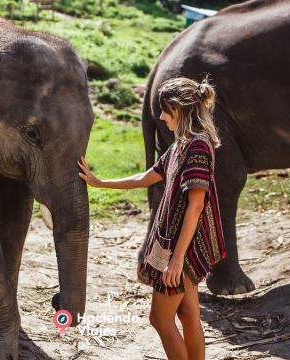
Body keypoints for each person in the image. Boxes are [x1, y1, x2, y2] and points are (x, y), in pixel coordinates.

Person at [78, 77, 227, 360]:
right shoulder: (181, 145)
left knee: (160, 319)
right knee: (188, 314)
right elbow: (148, 177)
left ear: (179, 109)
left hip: (183, 247)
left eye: (165, 110)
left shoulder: (197, 147)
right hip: (179, 245)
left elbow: (196, 206)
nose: (161, 117)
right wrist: (100, 183)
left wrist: (177, 259)